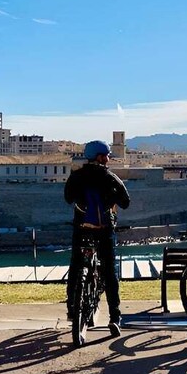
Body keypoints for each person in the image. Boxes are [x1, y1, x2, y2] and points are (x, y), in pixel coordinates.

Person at [64, 140, 130, 337]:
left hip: (82, 227)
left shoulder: (76, 177)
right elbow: (126, 202)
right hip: (104, 229)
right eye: (107, 155)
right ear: (101, 157)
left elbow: (68, 198)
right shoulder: (110, 177)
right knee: (110, 271)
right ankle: (115, 317)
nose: (108, 159)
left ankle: (71, 309)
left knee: (76, 266)